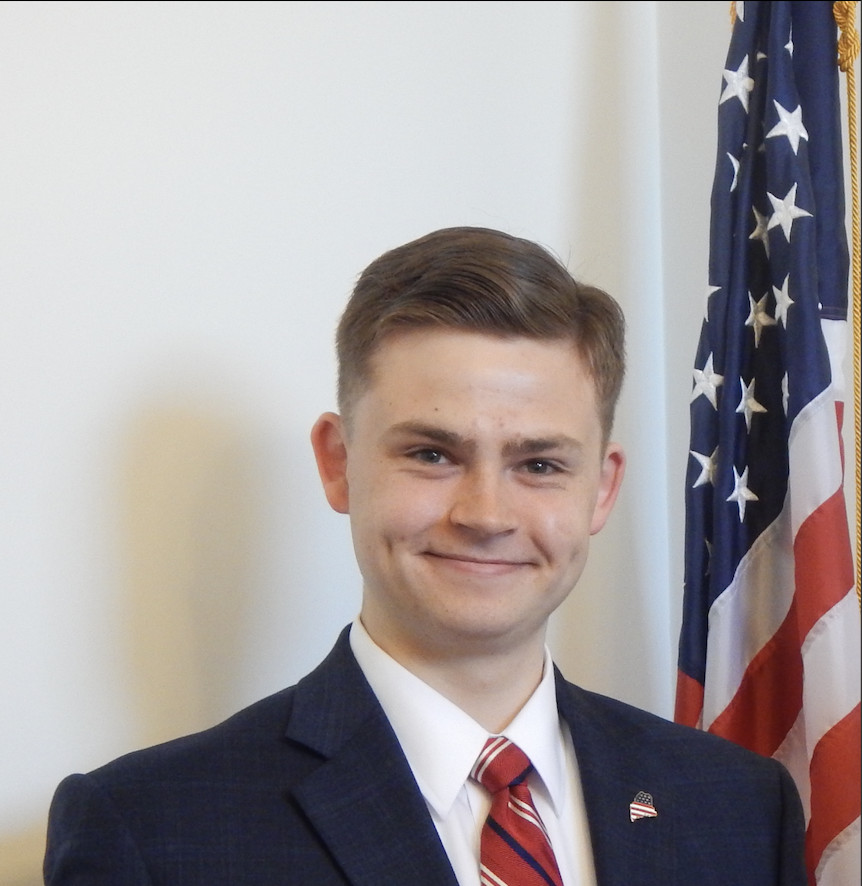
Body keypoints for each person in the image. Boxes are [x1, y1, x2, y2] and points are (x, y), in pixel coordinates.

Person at [44, 226, 805, 885]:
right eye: (432, 454)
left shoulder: (739, 806)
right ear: (339, 463)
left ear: (601, 490)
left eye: (539, 464)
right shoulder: (150, 828)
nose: (486, 515)